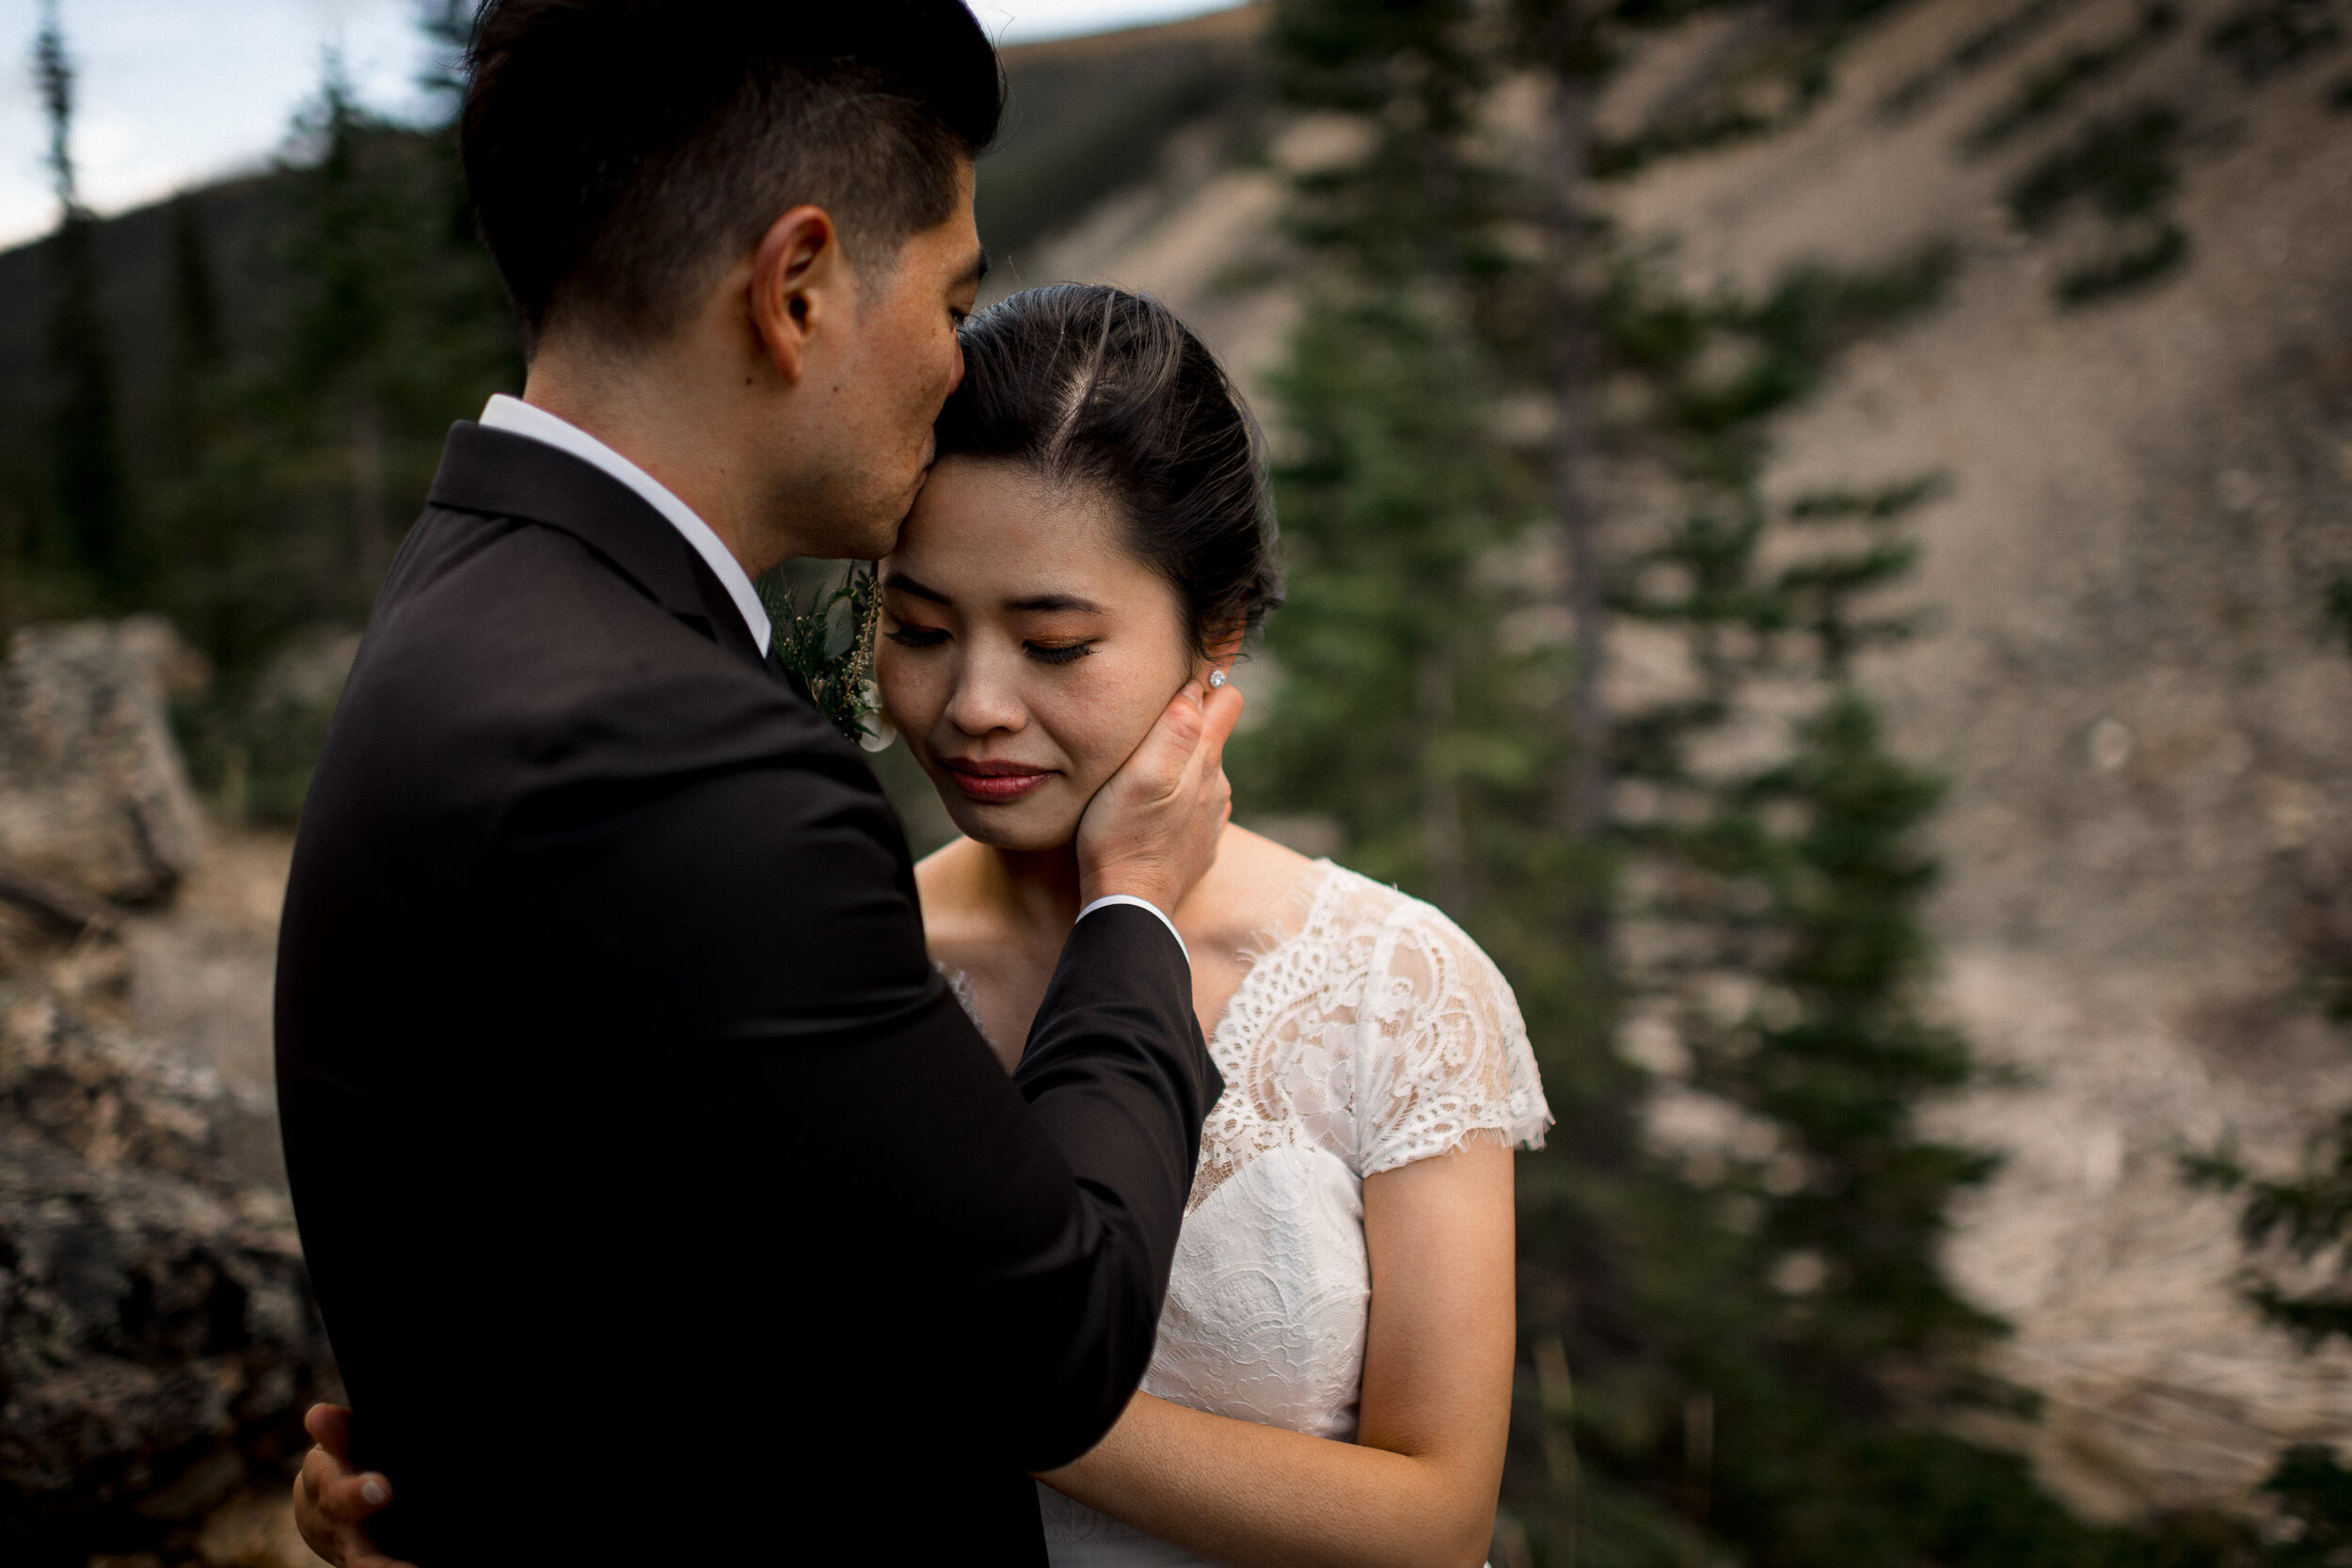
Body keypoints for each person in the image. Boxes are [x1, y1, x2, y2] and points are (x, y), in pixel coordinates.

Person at [298, 287, 1549, 1568]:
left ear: (1214, 639)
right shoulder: (820, 956)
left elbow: (1435, 1521)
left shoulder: (1396, 985)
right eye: (922, 629)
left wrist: (987, 1377)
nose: (976, 705)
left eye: (1055, 644)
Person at [272, 8, 1237, 1566]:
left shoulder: (466, 591)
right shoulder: (679, 750)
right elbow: (1054, 1341)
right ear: (796, 291)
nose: (950, 359)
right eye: (951, 294)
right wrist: (1134, 913)